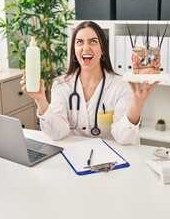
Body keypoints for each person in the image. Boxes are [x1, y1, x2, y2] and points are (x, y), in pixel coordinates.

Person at [20, 21, 158, 145]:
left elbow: (123, 138)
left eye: (93, 41)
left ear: (103, 49)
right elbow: (57, 133)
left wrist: (136, 106)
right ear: (74, 50)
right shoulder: (61, 85)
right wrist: (40, 100)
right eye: (79, 42)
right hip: (76, 159)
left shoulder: (121, 86)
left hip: (111, 162)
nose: (85, 48)